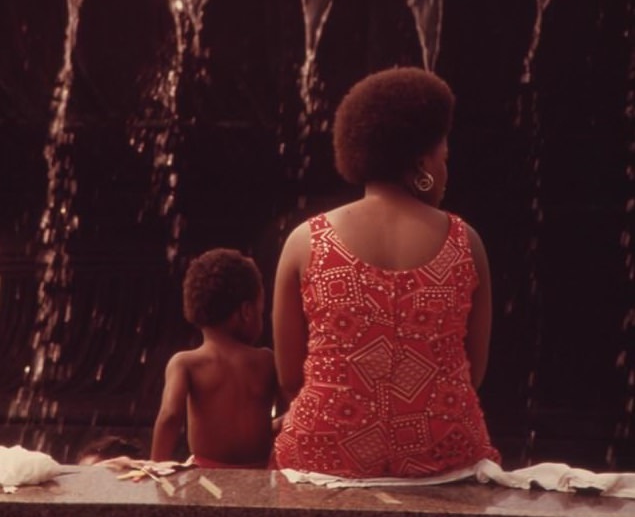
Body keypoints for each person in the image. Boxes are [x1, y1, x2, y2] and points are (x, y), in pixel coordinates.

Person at [272, 66, 501, 478]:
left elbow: (289, 377)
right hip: (444, 459)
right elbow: (474, 370)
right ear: (422, 163)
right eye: (443, 158)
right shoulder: (466, 242)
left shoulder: (305, 241)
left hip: (324, 458)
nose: (446, 171)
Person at [151, 247, 279, 467]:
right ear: (246, 311)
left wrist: (155, 467)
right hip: (259, 476)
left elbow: (170, 415)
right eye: (261, 311)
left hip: (208, 477)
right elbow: (295, 413)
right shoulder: (267, 361)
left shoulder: (186, 363)